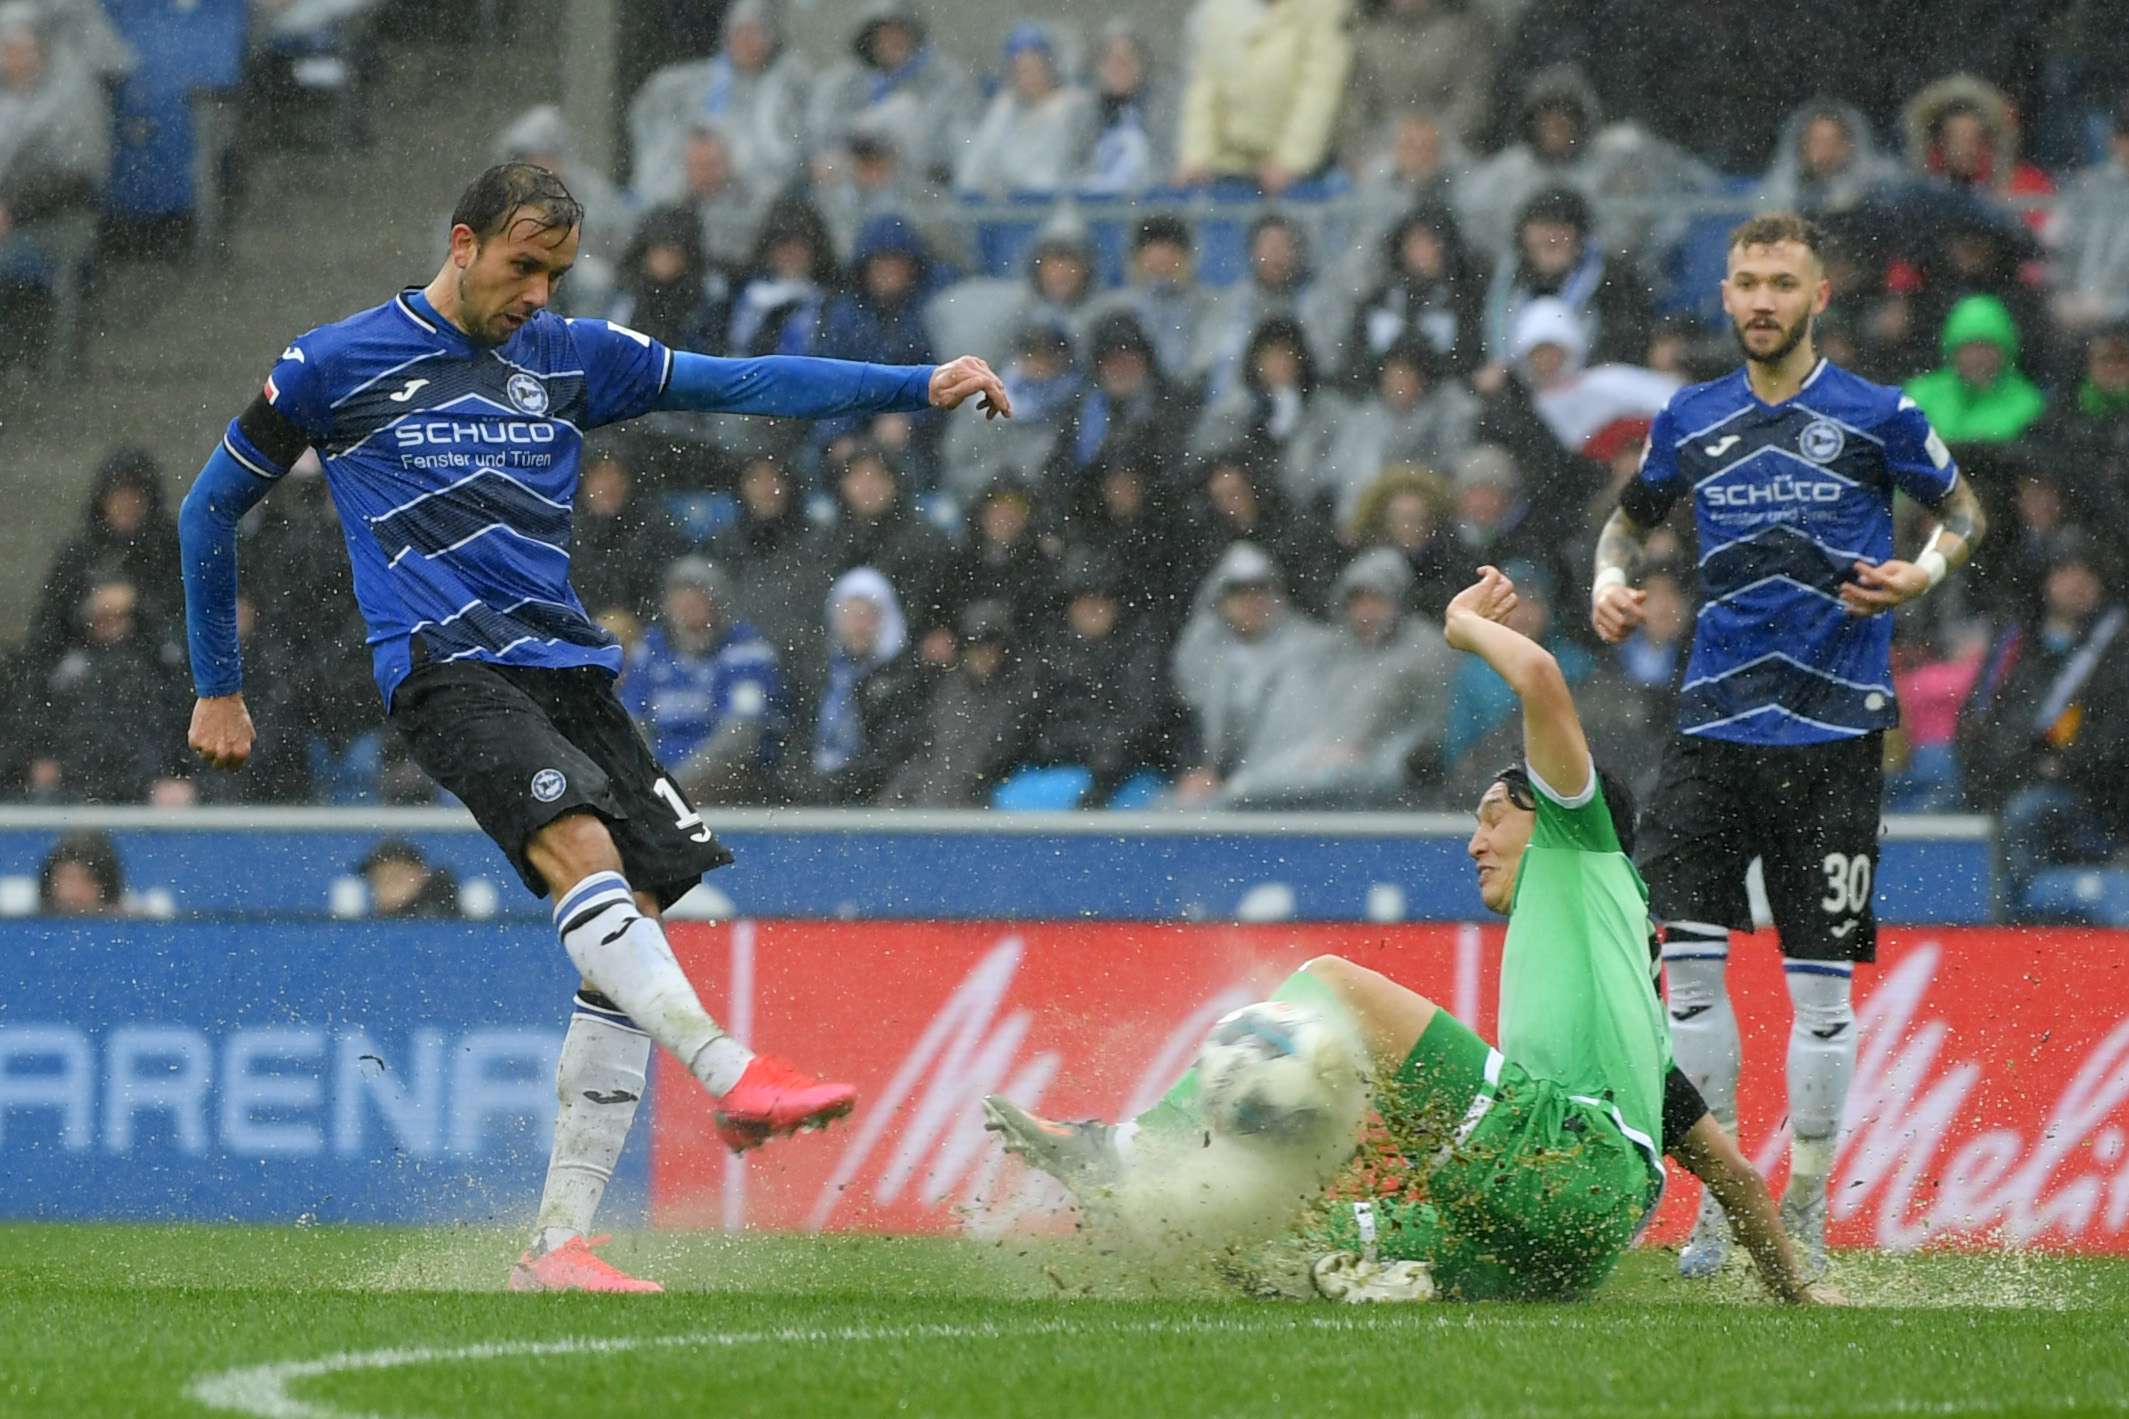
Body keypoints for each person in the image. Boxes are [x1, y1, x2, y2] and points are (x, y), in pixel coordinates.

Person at [176, 162, 1011, 1292]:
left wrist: (918, 382)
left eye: (556, 272)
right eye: (522, 266)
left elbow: (748, 381)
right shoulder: (332, 364)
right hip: (444, 667)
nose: (537, 291)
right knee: (587, 854)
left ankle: (558, 1244)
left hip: (569, 673)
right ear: (462, 242)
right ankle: (729, 1070)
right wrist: (220, 686)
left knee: (642, 905)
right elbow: (209, 509)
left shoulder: (571, 357)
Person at [987, 566, 1841, 1305]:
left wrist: (1464, 626)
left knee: (1330, 983)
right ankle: (1318, 1252)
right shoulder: (1631, 1033)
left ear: (1551, 817)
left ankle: (1129, 1150)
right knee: (1270, 1248)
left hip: (1565, 1160)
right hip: (1568, 1247)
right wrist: (1796, 1291)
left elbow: (1541, 678)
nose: (1474, 840)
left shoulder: (1583, 853)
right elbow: (1731, 1178)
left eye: (1492, 816)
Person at [1590, 212, 1988, 1281]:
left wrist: (1921, 575)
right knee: (1690, 983)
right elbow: (1624, 525)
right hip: (1711, 734)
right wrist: (1605, 583)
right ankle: (1724, 1206)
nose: (1761, 300)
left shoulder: (1874, 415)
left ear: (1816, 297)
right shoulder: (1689, 418)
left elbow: (1961, 509)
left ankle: (1804, 1201)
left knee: (1818, 991)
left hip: (1829, 738)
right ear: (1723, 297)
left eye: (1780, 282)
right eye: (1745, 282)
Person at [621, 558, 790, 807]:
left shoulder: (746, 649)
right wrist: (650, 778)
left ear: (717, 602)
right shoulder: (650, 648)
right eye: (680, 600)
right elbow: (630, 722)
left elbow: (740, 737)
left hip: (725, 780)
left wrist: (675, 787)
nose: (688, 609)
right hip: (656, 780)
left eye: (697, 599)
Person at [1173, 0, 1352, 194]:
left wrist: (1291, 160)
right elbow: (1203, 89)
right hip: (1227, 169)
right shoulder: (1217, 9)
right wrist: (1196, 158)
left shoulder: (1322, 8)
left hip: (1302, 174)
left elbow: (1320, 88)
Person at [356, 837, 461, 919]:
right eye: (377, 880)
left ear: (421, 875)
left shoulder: (440, 921)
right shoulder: (373, 928)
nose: (386, 888)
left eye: (396, 878)